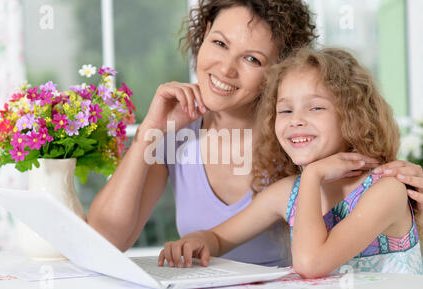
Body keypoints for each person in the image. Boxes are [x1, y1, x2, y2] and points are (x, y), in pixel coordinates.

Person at [88, 0, 318, 268]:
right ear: (205, 33)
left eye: (252, 59)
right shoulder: (177, 136)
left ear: (279, 70)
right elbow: (103, 241)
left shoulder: (296, 138)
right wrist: (149, 132)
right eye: (220, 43)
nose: (226, 68)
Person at [157, 48, 423, 277]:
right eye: (285, 110)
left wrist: (312, 175)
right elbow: (218, 238)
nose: (296, 119)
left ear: (354, 117)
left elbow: (310, 263)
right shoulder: (288, 193)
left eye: (315, 107)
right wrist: (196, 241)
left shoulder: (386, 190)